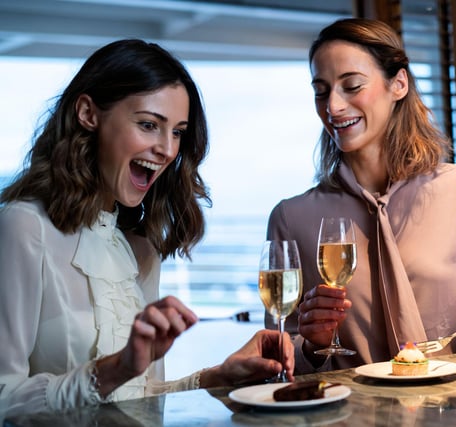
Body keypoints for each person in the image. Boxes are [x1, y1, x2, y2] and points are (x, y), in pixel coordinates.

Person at [0, 39, 294, 417]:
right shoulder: (23, 228)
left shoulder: (139, 248)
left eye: (177, 132)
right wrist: (115, 369)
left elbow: (138, 400)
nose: (168, 150)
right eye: (149, 125)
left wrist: (218, 377)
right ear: (89, 113)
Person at [266, 18, 456, 374]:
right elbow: (279, 355)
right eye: (321, 91)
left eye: (351, 86)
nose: (333, 106)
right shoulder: (292, 217)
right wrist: (313, 344)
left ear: (398, 84)